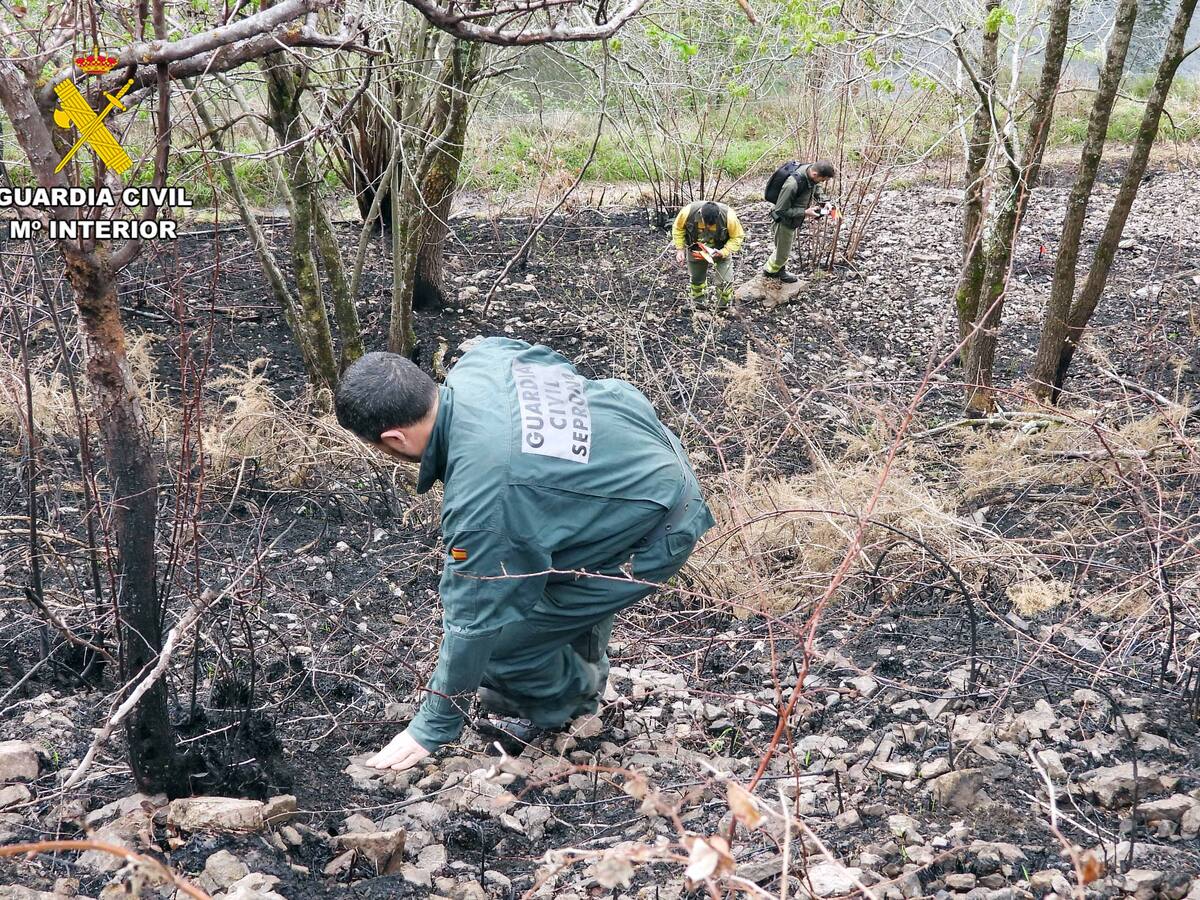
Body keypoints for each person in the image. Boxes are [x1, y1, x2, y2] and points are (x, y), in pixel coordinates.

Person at [334, 338, 715, 771]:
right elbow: (557, 368)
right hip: (638, 459)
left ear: (394, 438)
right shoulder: (486, 359)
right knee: (544, 575)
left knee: (501, 645)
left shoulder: (487, 500)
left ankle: (569, 712)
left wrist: (433, 724)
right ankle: (580, 681)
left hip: (656, 525)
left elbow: (475, 620)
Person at [763, 160, 836, 284]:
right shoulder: (792, 184)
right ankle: (770, 272)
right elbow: (781, 210)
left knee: (783, 248)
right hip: (783, 222)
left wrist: (825, 201)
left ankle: (777, 269)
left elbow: (815, 186)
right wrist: (805, 212)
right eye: (822, 180)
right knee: (782, 253)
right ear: (814, 174)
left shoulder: (810, 172)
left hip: (793, 220)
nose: (822, 183)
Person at [672, 200, 745, 308]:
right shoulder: (687, 212)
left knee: (725, 282)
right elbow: (678, 228)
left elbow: (737, 237)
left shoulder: (729, 216)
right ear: (701, 214)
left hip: (720, 251)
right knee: (697, 280)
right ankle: (698, 304)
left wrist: (723, 252)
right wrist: (680, 249)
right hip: (696, 250)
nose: (708, 226)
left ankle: (723, 307)